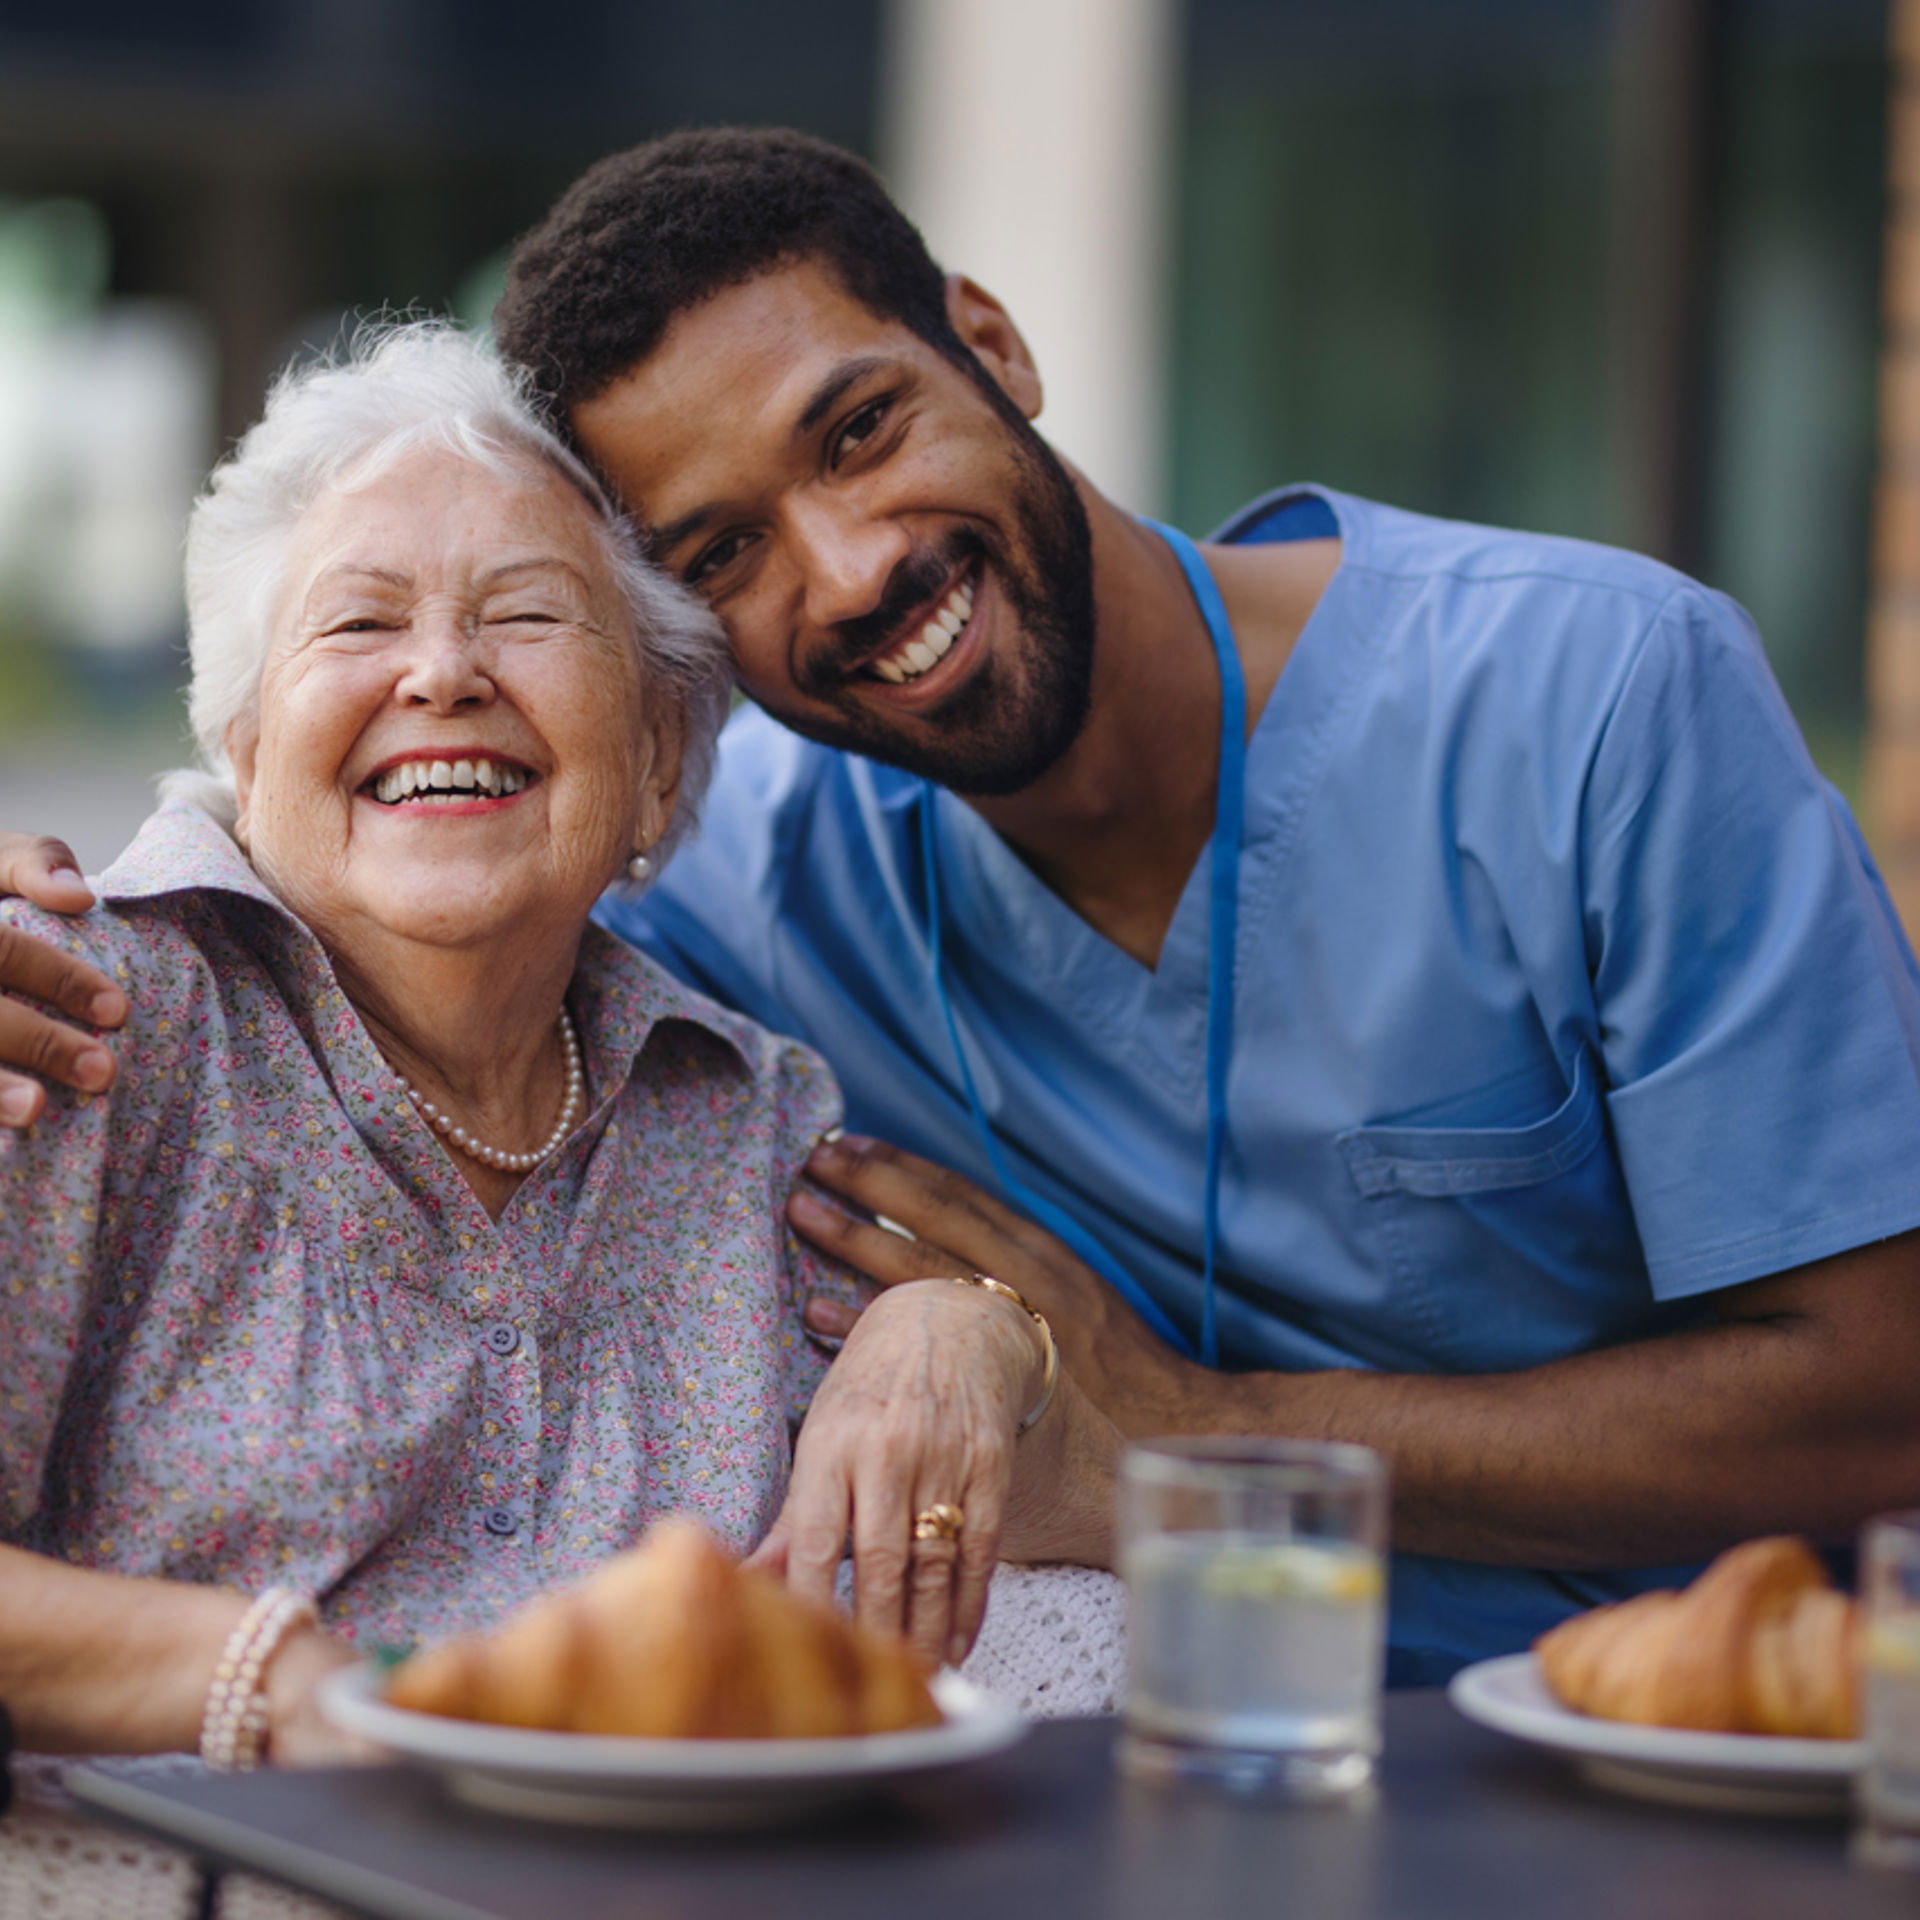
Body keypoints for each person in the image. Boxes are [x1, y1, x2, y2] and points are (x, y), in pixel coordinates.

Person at [6, 129, 1920, 1684]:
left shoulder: (1595, 700)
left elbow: (1878, 1400)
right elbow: (395, 871)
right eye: (720, 551)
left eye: (857, 431)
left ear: (991, 348)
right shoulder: (742, 867)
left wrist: (1180, 1425)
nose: (845, 573)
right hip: (1137, 1784)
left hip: (1677, 1773)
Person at [0, 321, 1117, 1761]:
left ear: (656, 761)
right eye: (358, 623)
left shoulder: (748, 1117)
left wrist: (963, 1324)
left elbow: (965, 1570)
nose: (444, 673)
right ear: (245, 739)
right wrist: (273, 1683)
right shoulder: (65, 1019)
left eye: (527, 615)